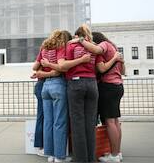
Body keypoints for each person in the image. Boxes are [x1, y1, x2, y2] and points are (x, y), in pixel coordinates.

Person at [41, 25, 105, 162]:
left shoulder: (70, 46)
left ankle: (81, 159)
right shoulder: (94, 47)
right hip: (92, 84)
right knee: (90, 125)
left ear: (76, 36)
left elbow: (63, 66)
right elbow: (99, 68)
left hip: (75, 84)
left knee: (77, 125)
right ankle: (90, 159)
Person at [75, 31, 125, 162]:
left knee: (109, 121)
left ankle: (114, 156)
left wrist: (80, 40)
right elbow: (124, 71)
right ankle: (117, 152)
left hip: (108, 87)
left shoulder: (104, 46)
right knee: (115, 121)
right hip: (118, 86)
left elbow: (101, 69)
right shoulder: (114, 48)